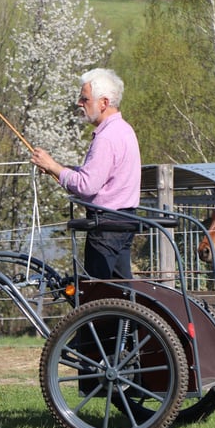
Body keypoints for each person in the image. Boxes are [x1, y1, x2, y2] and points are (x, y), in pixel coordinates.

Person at [30, 67, 141, 279]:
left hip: (106, 226)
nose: (80, 104)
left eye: (85, 99)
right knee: (119, 294)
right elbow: (99, 176)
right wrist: (63, 169)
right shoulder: (125, 130)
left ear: (104, 103)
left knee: (97, 295)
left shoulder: (106, 138)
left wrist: (53, 166)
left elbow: (87, 186)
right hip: (124, 222)